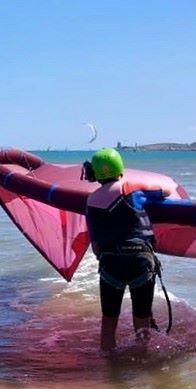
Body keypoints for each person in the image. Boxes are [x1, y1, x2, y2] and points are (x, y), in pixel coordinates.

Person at [82, 147, 163, 352]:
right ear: (120, 170)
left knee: (109, 323)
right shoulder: (130, 188)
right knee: (142, 322)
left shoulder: (90, 201)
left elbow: (95, 245)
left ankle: (111, 370)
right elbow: (166, 190)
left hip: (110, 263)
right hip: (140, 260)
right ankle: (142, 361)